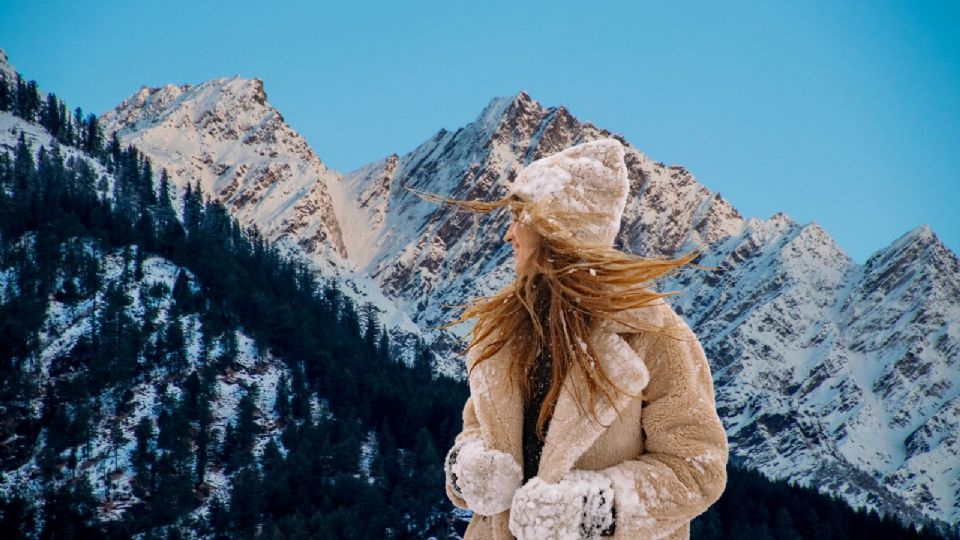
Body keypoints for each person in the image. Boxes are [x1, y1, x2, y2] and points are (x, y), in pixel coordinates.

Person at [409, 138, 728, 539]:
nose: (509, 236)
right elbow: (475, 428)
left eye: (519, 219)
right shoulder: (503, 333)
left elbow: (697, 468)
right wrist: (468, 468)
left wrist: (589, 512)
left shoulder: (654, 336)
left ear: (557, 228)